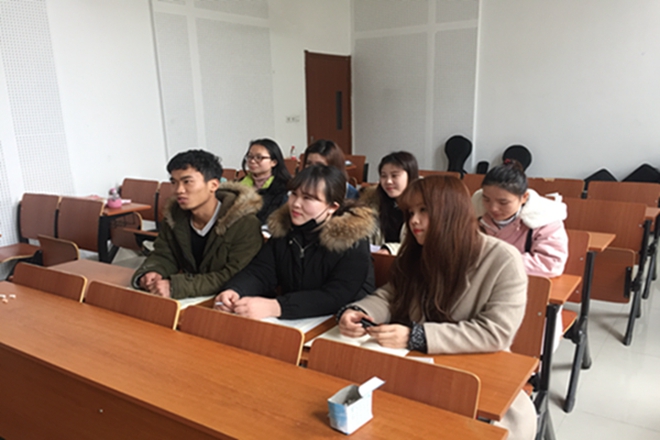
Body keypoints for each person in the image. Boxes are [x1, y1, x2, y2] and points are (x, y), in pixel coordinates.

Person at [338, 175, 536, 440]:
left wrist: (416, 336)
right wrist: (361, 311)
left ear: (452, 212)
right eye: (411, 213)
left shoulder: (502, 259)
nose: (414, 221)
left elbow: (496, 332)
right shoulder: (417, 250)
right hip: (418, 366)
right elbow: (392, 294)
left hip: (476, 370)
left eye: (424, 210)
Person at [215, 165, 376, 320]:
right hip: (295, 318)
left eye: (308, 198)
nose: (296, 204)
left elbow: (337, 295)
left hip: (342, 321)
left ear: (332, 207)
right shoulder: (285, 229)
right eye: (294, 194)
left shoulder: (352, 240)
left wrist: (278, 306)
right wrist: (236, 290)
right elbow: (261, 271)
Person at [132, 149, 263, 299]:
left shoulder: (244, 223)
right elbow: (164, 254)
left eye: (187, 182)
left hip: (230, 299)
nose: (179, 190)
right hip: (194, 297)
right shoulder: (174, 217)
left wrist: (177, 286)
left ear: (213, 185)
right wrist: (153, 271)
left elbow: (236, 275)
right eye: (174, 182)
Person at [472, 160, 568, 277]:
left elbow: (551, 264)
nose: (493, 208)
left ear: (524, 197)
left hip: (523, 283)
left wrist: (495, 262)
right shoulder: (474, 215)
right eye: (486, 199)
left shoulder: (545, 219)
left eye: (503, 202)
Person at [360, 151, 419, 255]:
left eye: (394, 175)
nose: (388, 181)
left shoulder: (423, 205)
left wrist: (390, 249)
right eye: (383, 176)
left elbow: (420, 245)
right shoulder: (372, 202)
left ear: (410, 176)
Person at [239, 138, 291, 223]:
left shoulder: (283, 187)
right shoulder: (238, 184)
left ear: (273, 162)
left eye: (259, 157)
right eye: (250, 156)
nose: (252, 161)